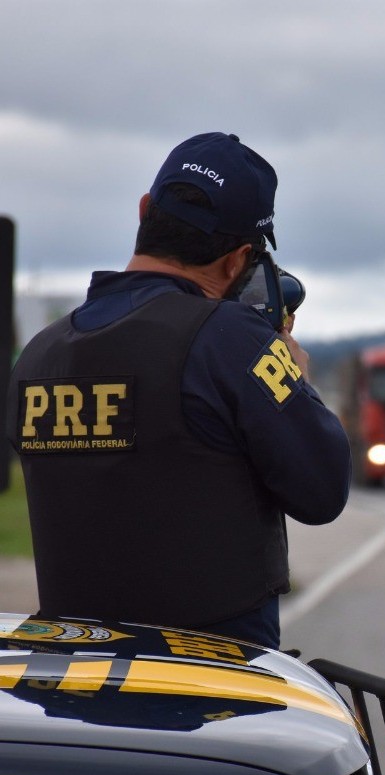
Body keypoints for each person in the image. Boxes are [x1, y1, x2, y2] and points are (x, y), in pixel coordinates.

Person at [6, 132, 351, 649]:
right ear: (237, 261)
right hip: (213, 694)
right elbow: (322, 489)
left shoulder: (38, 355)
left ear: (145, 212)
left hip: (74, 690)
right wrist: (294, 377)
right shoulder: (233, 341)